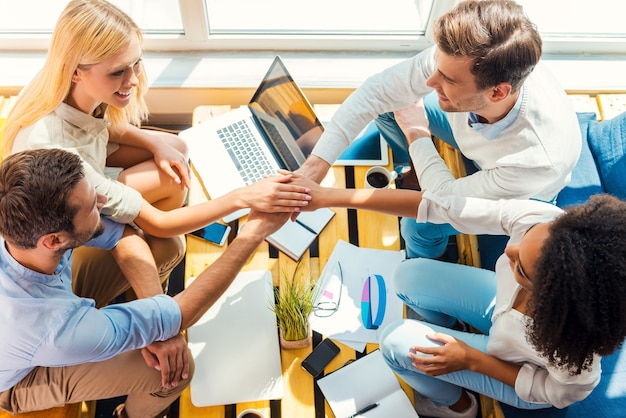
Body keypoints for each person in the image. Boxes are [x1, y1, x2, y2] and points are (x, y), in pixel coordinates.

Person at [2, 0, 311, 302]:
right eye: (118, 72)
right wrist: (243, 196)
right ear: (75, 72)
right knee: (170, 242)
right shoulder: (58, 157)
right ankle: (143, 283)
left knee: (175, 149)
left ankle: (171, 231)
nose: (133, 80)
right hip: (70, 233)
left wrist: (154, 142)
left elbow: (94, 126)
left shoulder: (60, 90)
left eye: (137, 63)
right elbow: (157, 223)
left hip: (88, 172)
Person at [288, 175, 626, 417]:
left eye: (519, 266)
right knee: (407, 275)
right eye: (524, 237)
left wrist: (471, 359)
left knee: (394, 342)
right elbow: (439, 207)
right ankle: (452, 332)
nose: (510, 247)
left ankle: (458, 405)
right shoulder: (544, 220)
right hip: (500, 316)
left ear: (552, 295)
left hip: (514, 368)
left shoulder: (574, 354)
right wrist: (329, 196)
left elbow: (553, 394)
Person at [0, 149, 289, 418]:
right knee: (175, 369)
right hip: (19, 376)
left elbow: (121, 235)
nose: (102, 202)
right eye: (91, 205)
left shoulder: (24, 230)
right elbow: (183, 314)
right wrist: (251, 235)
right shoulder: (55, 329)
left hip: (49, 308)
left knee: (165, 247)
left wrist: (157, 325)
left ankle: (134, 323)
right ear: (54, 241)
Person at [296, 0, 582, 259]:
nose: (430, 82)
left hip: (517, 192)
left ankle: (428, 263)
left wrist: (417, 134)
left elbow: (444, 199)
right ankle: (417, 172)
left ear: (497, 93)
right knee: (390, 106)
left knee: (418, 227)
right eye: (436, 66)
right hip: (480, 143)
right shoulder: (465, 61)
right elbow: (376, 92)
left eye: (447, 80)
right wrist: (313, 170)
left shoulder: (537, 160)